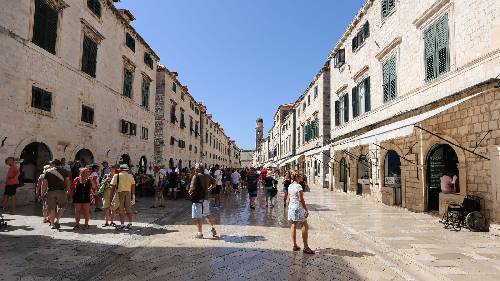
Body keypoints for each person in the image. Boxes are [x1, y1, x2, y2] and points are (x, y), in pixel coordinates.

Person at [288, 172, 314, 254]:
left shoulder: (290, 185)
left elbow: (289, 198)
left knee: (293, 225)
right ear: (298, 177)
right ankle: (306, 247)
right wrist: (306, 209)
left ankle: (294, 245)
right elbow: (301, 199)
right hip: (297, 207)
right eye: (301, 176)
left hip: (291, 207)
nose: (302, 177)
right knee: (304, 224)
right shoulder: (299, 186)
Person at [189, 163, 217, 239]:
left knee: (198, 216)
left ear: (198, 168)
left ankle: (199, 233)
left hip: (198, 198)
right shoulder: (207, 175)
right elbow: (215, 182)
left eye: (195, 167)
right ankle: (212, 228)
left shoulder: (196, 176)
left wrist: (189, 191)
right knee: (207, 214)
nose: (194, 168)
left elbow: (192, 188)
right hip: (206, 198)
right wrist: (209, 188)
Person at [45, 159, 71, 229]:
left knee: (51, 208)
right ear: (60, 164)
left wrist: (44, 192)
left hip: (51, 191)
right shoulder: (65, 171)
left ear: (54, 164)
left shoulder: (48, 172)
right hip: (61, 191)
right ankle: (57, 220)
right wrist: (69, 190)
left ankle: (52, 224)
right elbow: (67, 181)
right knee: (63, 206)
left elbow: (45, 183)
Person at [110, 164, 135, 230]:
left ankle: (122, 224)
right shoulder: (130, 176)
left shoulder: (116, 176)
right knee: (129, 209)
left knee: (121, 210)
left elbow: (112, 187)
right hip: (128, 193)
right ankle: (130, 223)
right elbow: (133, 185)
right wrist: (133, 195)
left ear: (120, 169)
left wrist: (111, 196)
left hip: (120, 193)